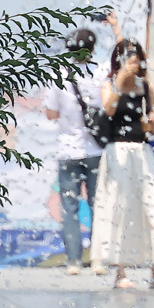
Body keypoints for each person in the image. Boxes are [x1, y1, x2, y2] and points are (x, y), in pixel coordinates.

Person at [90, 38, 154, 289]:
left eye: (136, 59)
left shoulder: (146, 86)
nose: (134, 63)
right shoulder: (109, 84)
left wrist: (153, 121)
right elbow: (110, 110)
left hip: (141, 151)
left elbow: (144, 125)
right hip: (118, 152)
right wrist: (121, 80)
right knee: (119, 208)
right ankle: (120, 273)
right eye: (128, 59)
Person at [40, 25, 108, 273]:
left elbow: (50, 113)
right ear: (92, 48)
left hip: (68, 150)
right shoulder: (101, 72)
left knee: (69, 207)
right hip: (95, 150)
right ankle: (99, 258)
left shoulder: (59, 74)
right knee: (98, 204)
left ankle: (74, 261)